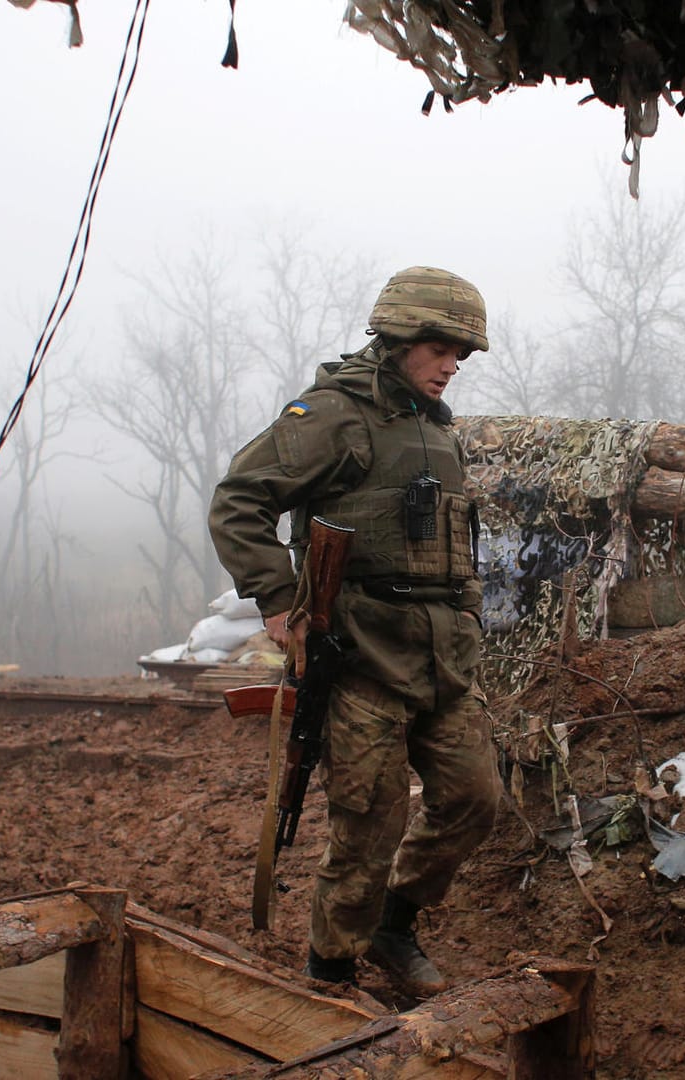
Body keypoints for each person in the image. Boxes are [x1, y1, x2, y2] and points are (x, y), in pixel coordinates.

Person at [208, 266, 500, 994]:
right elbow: (239, 501)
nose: (451, 365)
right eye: (441, 348)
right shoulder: (337, 415)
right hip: (361, 654)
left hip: (442, 659)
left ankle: (394, 929)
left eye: (461, 353)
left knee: (474, 798)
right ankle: (331, 971)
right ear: (401, 337)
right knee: (366, 828)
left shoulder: (436, 428)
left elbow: (454, 540)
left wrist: (467, 609)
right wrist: (279, 604)